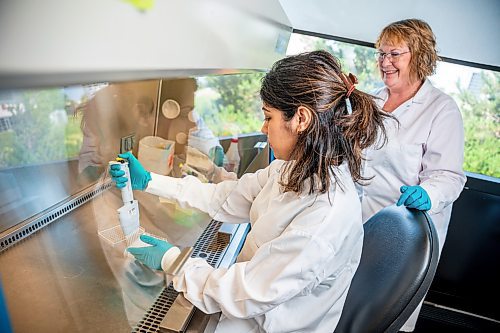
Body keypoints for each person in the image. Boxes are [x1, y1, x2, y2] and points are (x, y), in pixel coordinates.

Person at [110, 50, 391, 332]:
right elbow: (227, 198)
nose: (262, 127)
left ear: (301, 119)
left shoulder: (326, 215)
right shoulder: (294, 167)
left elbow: (250, 292)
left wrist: (172, 260)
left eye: (269, 117)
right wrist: (151, 182)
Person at [358, 19, 467, 332]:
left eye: (394, 54)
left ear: (419, 56)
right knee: (347, 306)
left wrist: (427, 195)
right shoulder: (373, 100)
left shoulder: (441, 109)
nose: (384, 62)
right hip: (359, 220)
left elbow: (448, 176)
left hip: (404, 229)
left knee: (383, 315)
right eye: (381, 54)